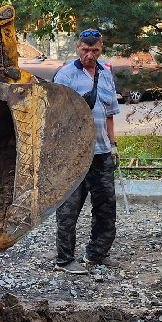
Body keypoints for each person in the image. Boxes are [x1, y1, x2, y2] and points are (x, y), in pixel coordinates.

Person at [52, 28, 120, 273]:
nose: (90, 54)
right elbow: (56, 116)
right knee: (69, 208)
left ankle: (97, 253)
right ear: (77, 47)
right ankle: (64, 259)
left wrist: (113, 145)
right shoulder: (66, 76)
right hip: (75, 154)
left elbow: (110, 113)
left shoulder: (106, 74)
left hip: (102, 152)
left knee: (106, 206)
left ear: (101, 48)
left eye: (95, 50)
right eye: (85, 49)